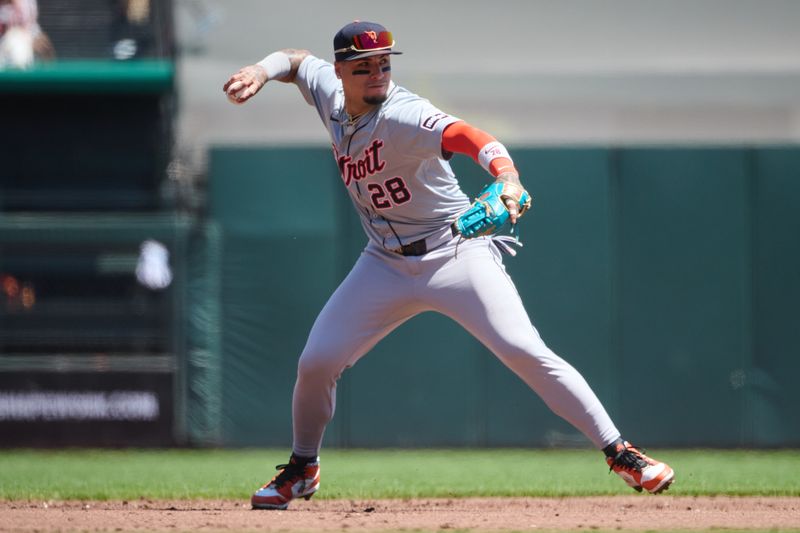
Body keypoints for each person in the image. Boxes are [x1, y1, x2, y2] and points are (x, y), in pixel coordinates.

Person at [223, 20, 675, 511]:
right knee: (315, 363)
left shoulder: (404, 113)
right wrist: (261, 70)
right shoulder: (330, 93)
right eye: (365, 66)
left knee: (524, 348)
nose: (377, 73)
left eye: (385, 63)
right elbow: (295, 59)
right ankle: (302, 469)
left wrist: (507, 177)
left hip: (454, 251)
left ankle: (621, 453)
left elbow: (469, 135)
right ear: (342, 71)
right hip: (383, 263)